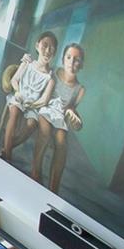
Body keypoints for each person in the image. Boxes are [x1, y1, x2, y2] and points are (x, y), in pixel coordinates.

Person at [33, 42, 86, 192]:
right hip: (44, 107)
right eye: (69, 57)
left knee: (62, 142)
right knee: (45, 131)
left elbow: (71, 107)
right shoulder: (54, 73)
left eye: (77, 60)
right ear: (63, 59)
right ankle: (35, 171)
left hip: (59, 116)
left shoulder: (80, 89)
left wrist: (72, 113)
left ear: (81, 64)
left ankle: (53, 187)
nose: (72, 62)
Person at [0, 31, 57, 162]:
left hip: (33, 105)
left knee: (32, 124)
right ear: (37, 46)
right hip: (19, 97)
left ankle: (8, 146)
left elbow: (44, 100)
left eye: (51, 48)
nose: (47, 51)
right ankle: (8, 156)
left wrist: (32, 105)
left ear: (54, 53)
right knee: (15, 112)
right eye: (45, 45)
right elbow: (14, 80)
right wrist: (17, 92)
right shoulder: (27, 63)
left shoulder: (50, 78)